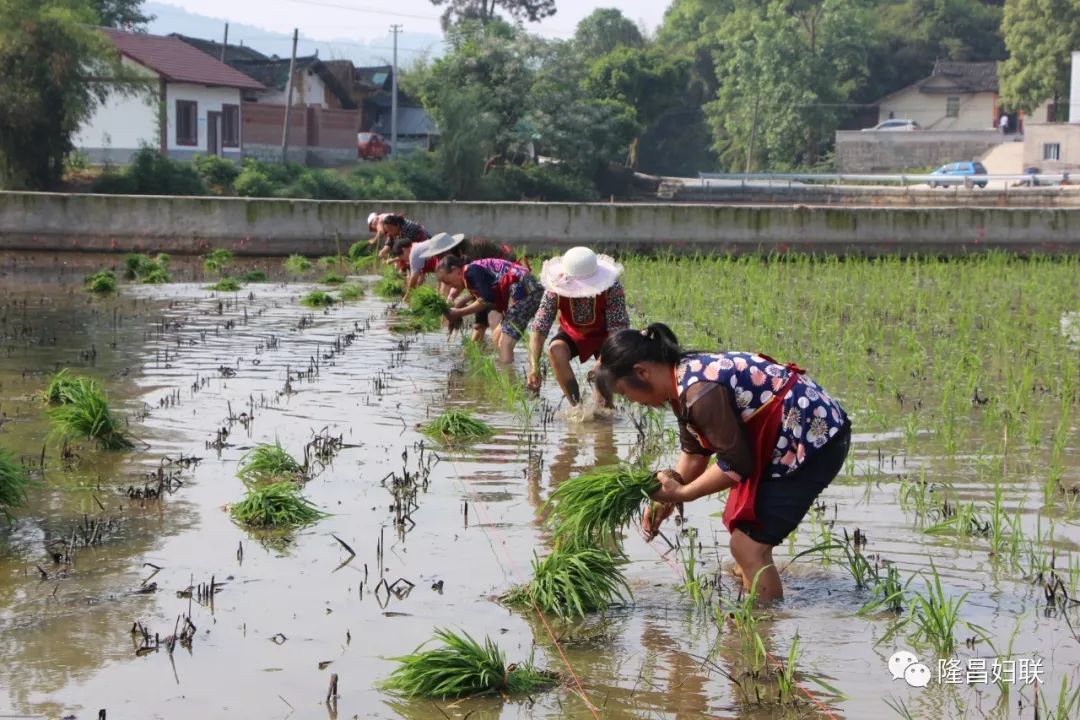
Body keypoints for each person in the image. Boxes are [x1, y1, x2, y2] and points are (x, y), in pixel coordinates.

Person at [595, 323, 851, 603]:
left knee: (747, 547)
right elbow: (694, 456)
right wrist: (664, 499)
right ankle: (755, 593)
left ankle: (762, 626)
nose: (631, 401)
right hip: (788, 439)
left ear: (641, 372)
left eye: (624, 393)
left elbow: (736, 464)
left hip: (814, 440)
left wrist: (682, 494)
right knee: (744, 533)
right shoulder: (681, 383)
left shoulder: (699, 391)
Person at [525, 247, 630, 409]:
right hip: (572, 333)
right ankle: (577, 407)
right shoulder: (556, 287)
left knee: (603, 392)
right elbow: (539, 328)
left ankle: (603, 415)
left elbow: (618, 330)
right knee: (555, 350)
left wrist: (602, 362)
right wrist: (534, 367)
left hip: (606, 336)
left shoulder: (611, 287)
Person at [434, 255, 543, 363]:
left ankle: (506, 375)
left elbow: (486, 299)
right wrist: (457, 304)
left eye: (447, 281)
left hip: (526, 292)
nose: (448, 285)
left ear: (455, 270)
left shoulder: (471, 272)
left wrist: (459, 312)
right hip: (526, 291)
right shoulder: (472, 272)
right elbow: (487, 298)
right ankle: (503, 371)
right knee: (497, 336)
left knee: (505, 344)